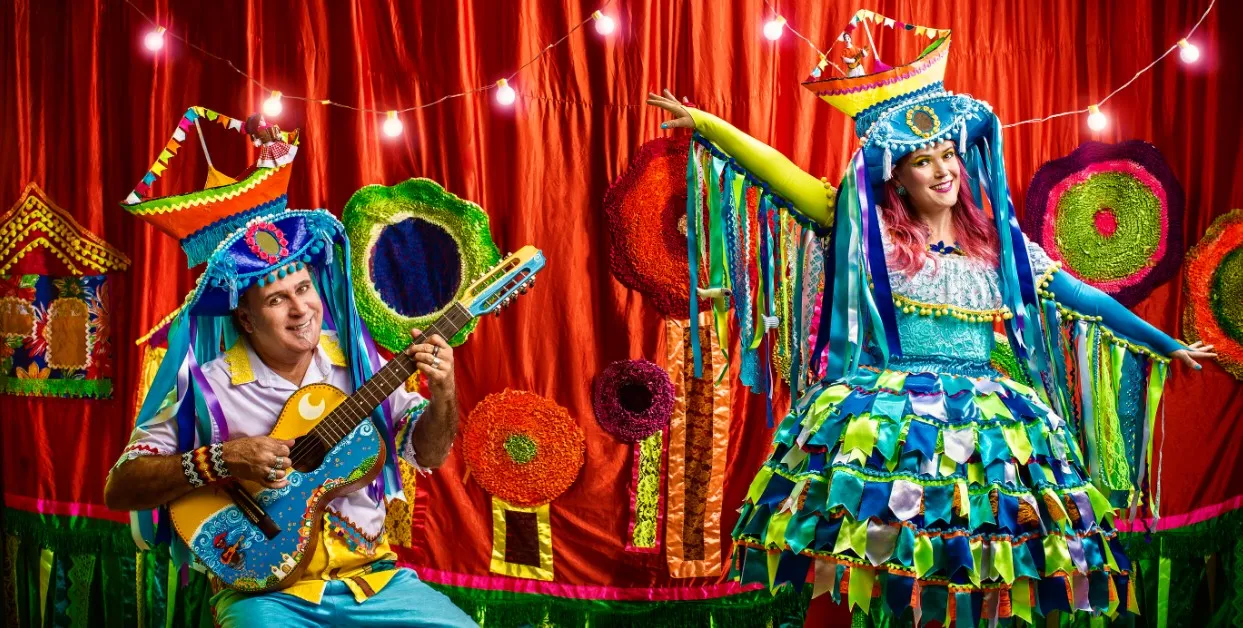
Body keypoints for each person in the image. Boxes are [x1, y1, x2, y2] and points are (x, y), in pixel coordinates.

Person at [646, 17, 1214, 625]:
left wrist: (1164, 342)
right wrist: (708, 124)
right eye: (923, 160)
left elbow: (1082, 297)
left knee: (979, 566)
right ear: (896, 174)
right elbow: (783, 176)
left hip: (985, 423)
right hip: (890, 418)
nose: (943, 170)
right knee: (877, 567)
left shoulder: (997, 247)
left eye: (949, 155)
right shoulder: (870, 234)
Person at [107, 118, 476, 626]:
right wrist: (221, 458)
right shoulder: (209, 387)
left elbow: (428, 451)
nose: (301, 309)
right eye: (277, 299)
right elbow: (121, 487)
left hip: (372, 582)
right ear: (245, 318)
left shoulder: (360, 363)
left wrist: (444, 392)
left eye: (304, 288)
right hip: (266, 596)